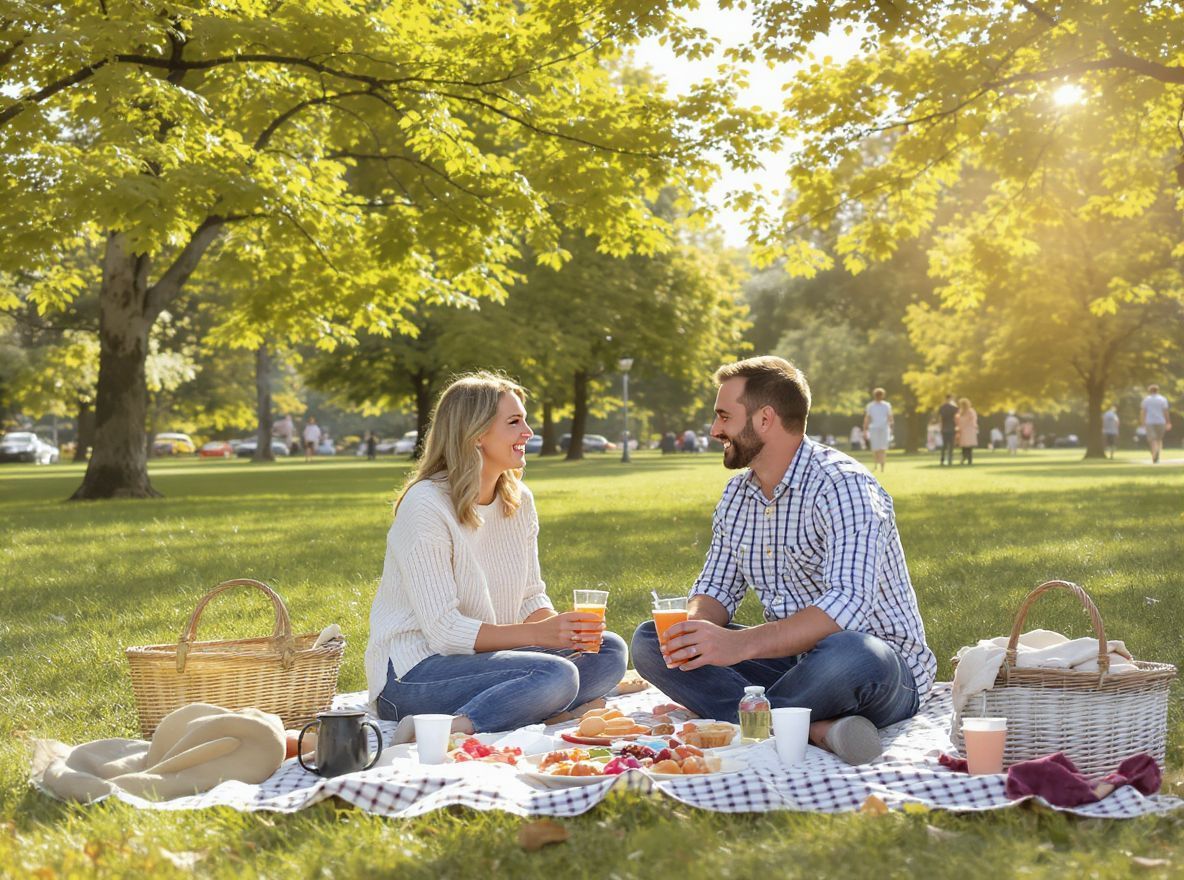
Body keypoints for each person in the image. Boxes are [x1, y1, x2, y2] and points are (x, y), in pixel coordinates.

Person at [630, 356, 935, 766]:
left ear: (765, 418)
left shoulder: (844, 487)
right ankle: (810, 728)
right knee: (653, 641)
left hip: (876, 670)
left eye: (724, 416)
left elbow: (847, 605)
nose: (714, 429)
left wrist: (739, 644)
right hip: (791, 665)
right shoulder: (738, 497)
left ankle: (746, 722)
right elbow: (716, 588)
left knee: (853, 652)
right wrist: (695, 630)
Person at [366, 372, 626, 739]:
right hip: (414, 675)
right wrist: (541, 636)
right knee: (555, 675)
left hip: (485, 662)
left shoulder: (519, 500)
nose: (529, 432)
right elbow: (443, 631)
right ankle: (457, 727)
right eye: (514, 422)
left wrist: (562, 630)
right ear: (476, 434)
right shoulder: (425, 505)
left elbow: (530, 596)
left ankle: (531, 706)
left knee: (609, 650)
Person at [862, 388, 894, 473]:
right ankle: (876, 465)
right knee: (875, 448)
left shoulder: (886, 405)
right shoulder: (870, 406)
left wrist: (891, 427)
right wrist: (865, 429)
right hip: (874, 428)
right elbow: (867, 418)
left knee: (883, 448)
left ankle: (882, 466)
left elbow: (890, 417)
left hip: (884, 428)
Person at [1140, 384, 1171, 464]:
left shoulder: (1146, 400)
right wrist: (1168, 422)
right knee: (1159, 439)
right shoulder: (1163, 399)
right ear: (1158, 390)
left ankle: (1154, 454)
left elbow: (1143, 412)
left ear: (1149, 391)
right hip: (1161, 421)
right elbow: (1165, 411)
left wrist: (1142, 422)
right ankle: (1157, 454)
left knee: (1152, 439)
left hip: (1149, 422)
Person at [956, 398, 978, 465]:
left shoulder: (967, 411)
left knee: (966, 447)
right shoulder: (963, 411)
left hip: (966, 430)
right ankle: (968, 460)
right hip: (967, 430)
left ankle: (966, 460)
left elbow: (961, 421)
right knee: (967, 447)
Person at [938, 394, 958, 466]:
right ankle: (950, 460)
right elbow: (956, 418)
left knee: (944, 445)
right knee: (951, 445)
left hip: (944, 428)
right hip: (952, 428)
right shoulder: (954, 408)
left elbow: (940, 419)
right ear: (951, 398)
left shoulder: (942, 407)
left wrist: (940, 427)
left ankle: (942, 460)